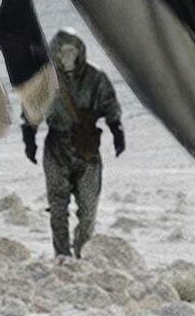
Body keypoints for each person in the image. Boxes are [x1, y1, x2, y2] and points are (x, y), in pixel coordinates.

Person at [20, 30, 124, 258]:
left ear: (80, 53)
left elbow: (109, 104)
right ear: (55, 54)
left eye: (71, 52)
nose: (67, 57)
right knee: (58, 207)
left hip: (86, 148)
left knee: (89, 208)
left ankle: (83, 251)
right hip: (56, 147)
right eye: (62, 52)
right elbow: (31, 110)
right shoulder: (45, 82)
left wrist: (117, 130)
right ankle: (62, 256)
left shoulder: (95, 78)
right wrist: (29, 138)